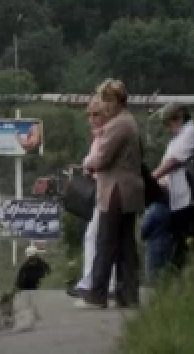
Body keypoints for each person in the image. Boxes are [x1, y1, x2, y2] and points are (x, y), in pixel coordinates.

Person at [79, 79, 144, 309]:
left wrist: (86, 161)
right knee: (125, 244)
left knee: (105, 242)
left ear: (116, 101)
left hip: (116, 190)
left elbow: (101, 158)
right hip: (129, 190)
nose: (104, 106)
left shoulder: (118, 125)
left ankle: (97, 295)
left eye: (107, 100)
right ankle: (128, 293)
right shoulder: (129, 121)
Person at [68, 100, 117, 301]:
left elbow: (96, 160)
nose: (92, 119)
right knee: (102, 236)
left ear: (106, 115)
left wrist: (87, 164)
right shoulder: (100, 136)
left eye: (96, 115)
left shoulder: (105, 136)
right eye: (89, 115)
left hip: (108, 190)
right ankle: (102, 281)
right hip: (103, 189)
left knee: (96, 236)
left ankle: (92, 282)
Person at [151, 103, 194, 270]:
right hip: (179, 198)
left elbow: (173, 162)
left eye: (169, 123)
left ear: (179, 118)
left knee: (190, 239)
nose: (168, 129)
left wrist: (152, 178)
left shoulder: (191, 132)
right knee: (180, 239)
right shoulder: (179, 137)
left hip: (190, 198)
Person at [140, 198, 173, 284]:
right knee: (166, 274)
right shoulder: (169, 209)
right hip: (168, 244)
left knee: (152, 277)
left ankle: (155, 296)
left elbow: (143, 231)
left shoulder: (152, 209)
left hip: (153, 246)